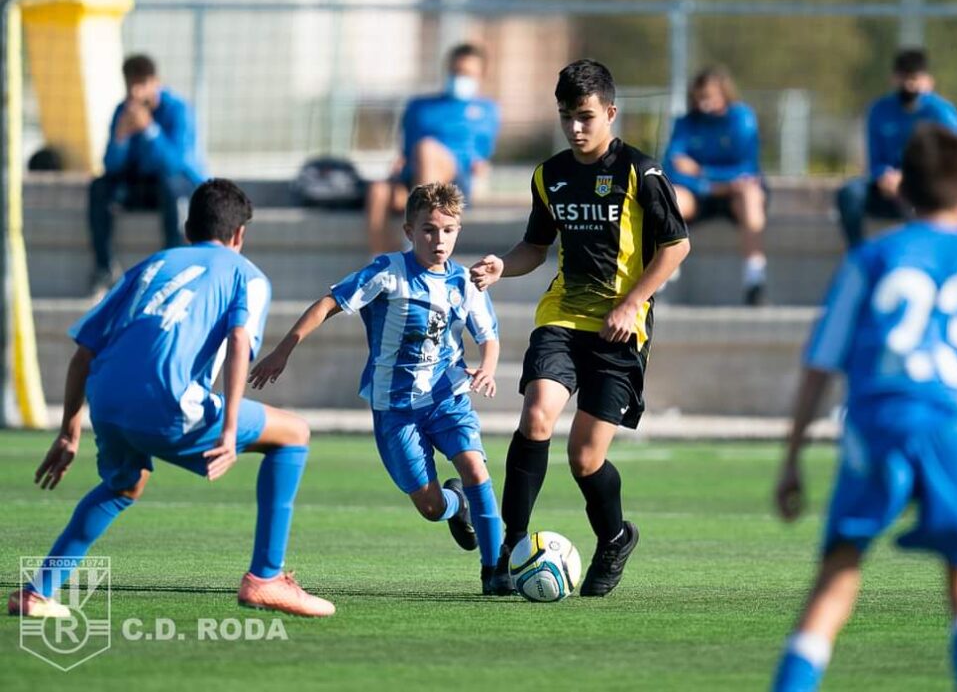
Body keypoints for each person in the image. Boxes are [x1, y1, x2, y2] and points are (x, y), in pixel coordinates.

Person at [771, 125, 957, 691]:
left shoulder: (871, 258)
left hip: (880, 423)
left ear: (902, 193)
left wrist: (793, 457)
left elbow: (820, 364)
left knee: (837, 577)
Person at [9, 179, 335, 619]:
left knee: (125, 483)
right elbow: (240, 341)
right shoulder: (246, 274)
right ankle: (266, 578)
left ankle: (37, 592)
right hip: (168, 402)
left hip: (105, 402)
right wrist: (232, 425)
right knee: (294, 433)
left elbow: (84, 350)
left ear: (186, 228)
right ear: (240, 235)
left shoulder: (150, 265)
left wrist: (69, 429)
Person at [471, 59, 691, 597]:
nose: (576, 128)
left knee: (585, 457)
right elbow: (534, 247)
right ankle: (507, 550)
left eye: (586, 116)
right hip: (563, 318)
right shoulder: (549, 175)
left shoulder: (642, 172)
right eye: (568, 116)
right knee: (537, 413)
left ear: (610, 113)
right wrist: (504, 264)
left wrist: (633, 303)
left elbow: (676, 246)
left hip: (620, 331)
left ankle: (615, 536)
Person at [250, 182, 505, 593]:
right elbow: (328, 304)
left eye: (448, 230)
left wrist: (487, 368)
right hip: (395, 407)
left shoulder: (465, 282)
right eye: (428, 229)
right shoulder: (388, 272)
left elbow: (487, 335)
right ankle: (456, 507)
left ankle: (496, 569)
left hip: (447, 397)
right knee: (429, 505)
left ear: (459, 231)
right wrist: (283, 351)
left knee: (475, 467)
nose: (439, 240)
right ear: (409, 231)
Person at [365, 44, 501, 255]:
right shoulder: (419, 106)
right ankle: (383, 267)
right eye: (456, 72)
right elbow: (406, 150)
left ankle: (416, 246)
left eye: (467, 73)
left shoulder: (486, 110)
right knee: (379, 190)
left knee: (427, 149)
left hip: (455, 180)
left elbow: (481, 156)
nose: (460, 78)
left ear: (481, 76)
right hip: (414, 176)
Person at [89, 54, 207, 296]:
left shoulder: (178, 110)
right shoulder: (123, 111)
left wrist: (149, 130)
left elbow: (175, 164)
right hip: (141, 185)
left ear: (155, 82)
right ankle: (105, 267)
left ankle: (172, 264)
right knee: (99, 187)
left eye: (142, 85)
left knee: (170, 186)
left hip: (176, 183)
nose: (137, 94)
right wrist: (120, 138)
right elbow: (111, 166)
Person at [837, 48, 957, 248]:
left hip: (922, 187)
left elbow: (950, 162)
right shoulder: (879, 111)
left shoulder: (941, 114)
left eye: (914, 79)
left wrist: (908, 179)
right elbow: (876, 159)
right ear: (894, 79)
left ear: (927, 81)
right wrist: (884, 177)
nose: (909, 86)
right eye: (904, 78)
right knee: (850, 194)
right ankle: (857, 253)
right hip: (886, 189)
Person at [664, 66, 768, 305]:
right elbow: (672, 169)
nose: (704, 104)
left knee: (750, 196)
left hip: (736, 195)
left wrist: (703, 172)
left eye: (710, 97)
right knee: (671, 198)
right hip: (700, 195)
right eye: (699, 98)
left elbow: (747, 170)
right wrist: (710, 187)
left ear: (725, 94)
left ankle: (755, 277)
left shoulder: (741, 119)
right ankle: (666, 268)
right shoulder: (686, 123)